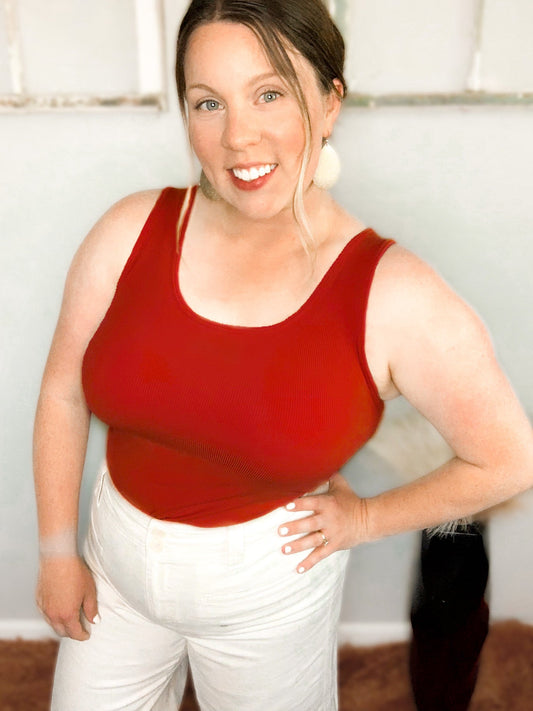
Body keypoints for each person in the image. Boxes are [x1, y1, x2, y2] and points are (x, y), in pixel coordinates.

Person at [33, 1, 533, 710]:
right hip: (115, 567)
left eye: (269, 93)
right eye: (208, 102)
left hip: (267, 597)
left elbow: (508, 459)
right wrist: (57, 552)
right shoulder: (129, 229)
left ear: (330, 102)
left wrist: (365, 520)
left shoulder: (394, 293)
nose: (238, 136)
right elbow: (63, 391)